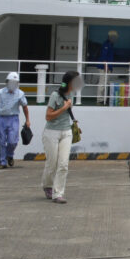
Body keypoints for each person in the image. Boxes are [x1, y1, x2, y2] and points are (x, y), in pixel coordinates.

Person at [42, 71, 81, 204]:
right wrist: (64, 107)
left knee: (63, 164)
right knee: (52, 163)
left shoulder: (71, 95)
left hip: (66, 132)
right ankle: (47, 185)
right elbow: (48, 116)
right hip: (51, 132)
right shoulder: (55, 95)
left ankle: (58, 193)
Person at [0, 71, 30, 168]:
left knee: (12, 141)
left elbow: (25, 107)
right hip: (1, 119)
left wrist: (27, 120)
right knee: (1, 141)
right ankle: (2, 162)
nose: (13, 84)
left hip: (13, 119)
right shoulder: (0, 93)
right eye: (11, 82)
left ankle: (10, 155)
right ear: (7, 82)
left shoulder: (20, 94)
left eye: (15, 83)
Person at [95, 30, 118, 105]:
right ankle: (100, 99)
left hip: (107, 67)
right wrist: (106, 67)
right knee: (102, 83)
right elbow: (104, 56)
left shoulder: (110, 44)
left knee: (105, 83)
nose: (115, 38)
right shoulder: (106, 44)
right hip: (104, 67)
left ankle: (104, 99)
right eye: (114, 37)